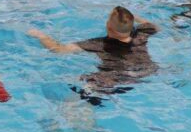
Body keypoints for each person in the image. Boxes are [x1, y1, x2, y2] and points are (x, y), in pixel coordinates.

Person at [27, 6, 159, 104]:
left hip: (110, 81)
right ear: (131, 27)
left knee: (71, 96)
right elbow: (153, 26)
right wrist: (133, 17)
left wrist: (40, 35)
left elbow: (58, 49)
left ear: (108, 26)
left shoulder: (97, 44)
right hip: (145, 73)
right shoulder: (141, 35)